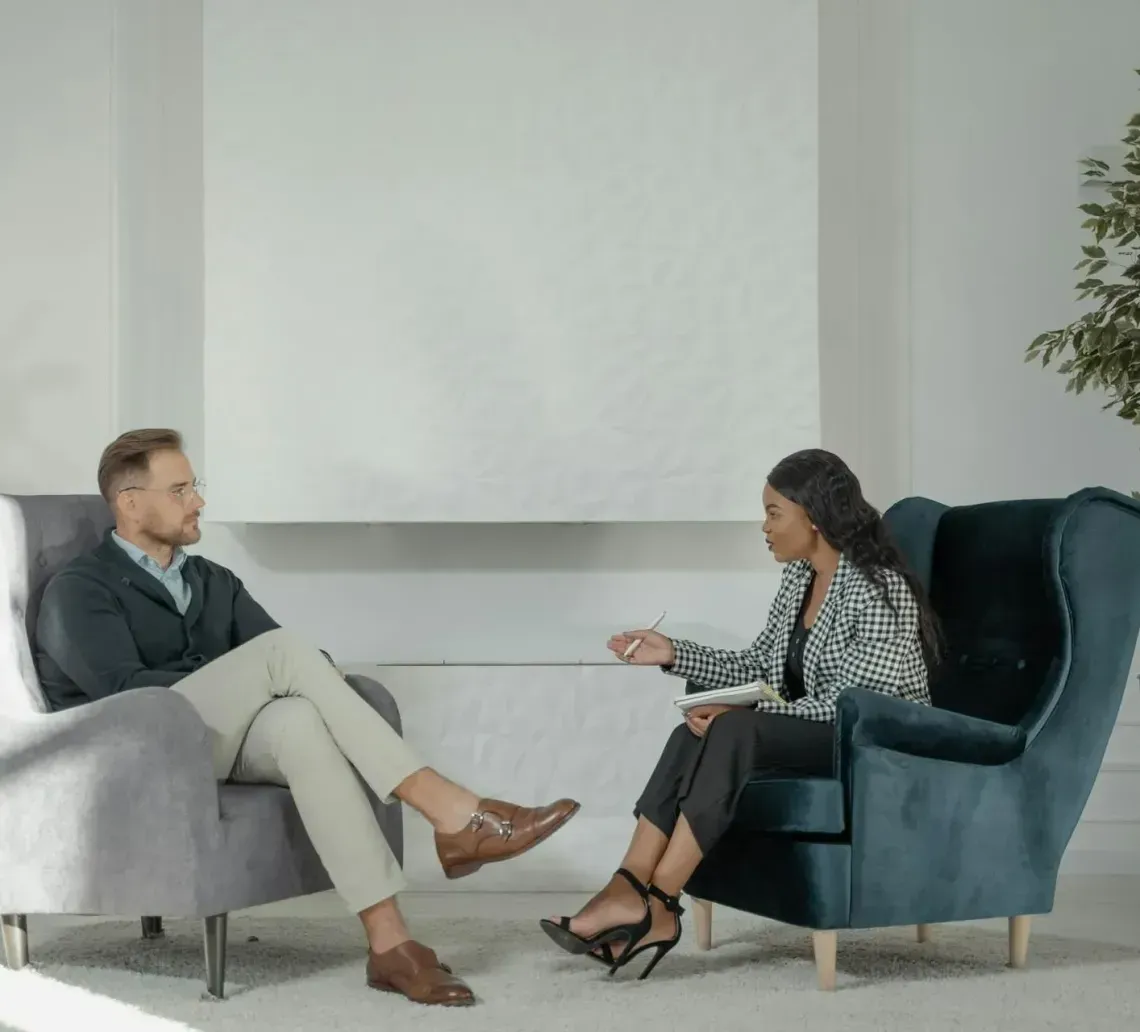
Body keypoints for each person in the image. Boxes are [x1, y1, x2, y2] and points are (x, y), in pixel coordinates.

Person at [35, 428, 580, 1008]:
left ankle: (391, 945)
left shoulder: (210, 581)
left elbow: (288, 663)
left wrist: (295, 685)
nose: (198, 502)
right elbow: (127, 696)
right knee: (285, 656)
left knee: (299, 722)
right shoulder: (79, 589)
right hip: (133, 751)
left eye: (195, 486)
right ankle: (453, 813)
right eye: (180, 490)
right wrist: (255, 678)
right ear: (130, 503)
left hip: (211, 739)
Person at [540, 448, 941, 978]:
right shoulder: (799, 579)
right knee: (693, 735)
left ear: (814, 516)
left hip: (874, 743)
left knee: (730, 728)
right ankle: (628, 887)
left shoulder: (878, 586)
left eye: (775, 513)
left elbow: (858, 702)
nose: (764, 526)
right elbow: (760, 664)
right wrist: (674, 652)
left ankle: (659, 903)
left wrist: (738, 708)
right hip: (819, 731)